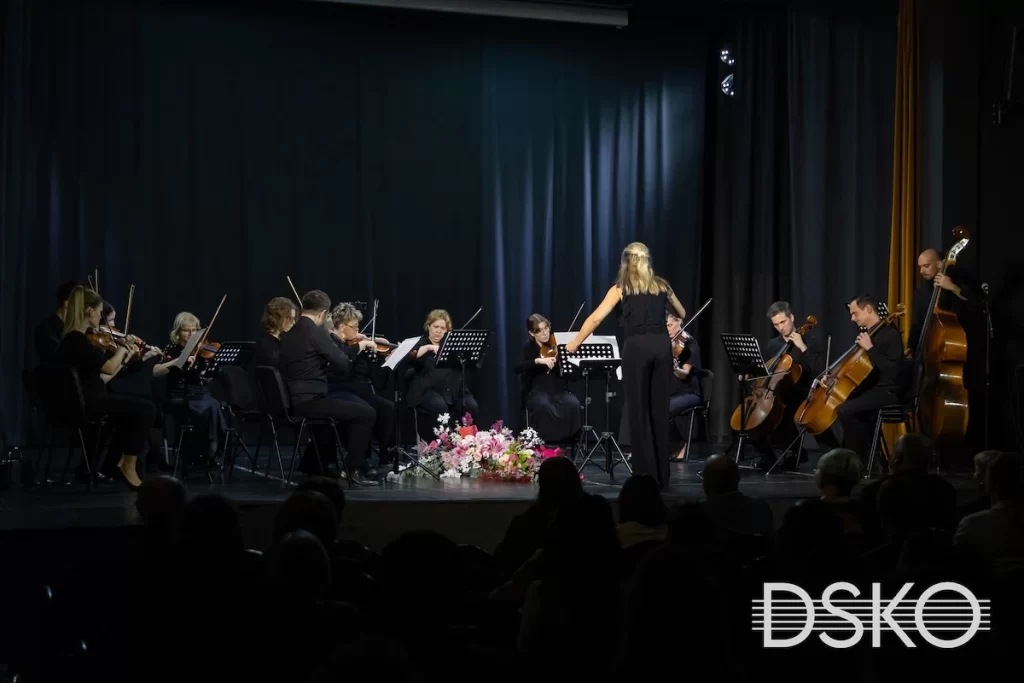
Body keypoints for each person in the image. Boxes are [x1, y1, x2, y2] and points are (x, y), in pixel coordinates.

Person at [566, 242, 686, 490]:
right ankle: (661, 477)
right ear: (647, 261)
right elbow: (682, 313)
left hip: (637, 349)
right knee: (659, 410)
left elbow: (596, 318)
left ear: (625, 263)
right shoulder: (662, 285)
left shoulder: (621, 289)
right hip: (661, 348)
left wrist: (575, 342)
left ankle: (643, 475)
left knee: (638, 411)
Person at [53, 286, 183, 488]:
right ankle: (127, 465)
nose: (101, 318)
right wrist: (122, 348)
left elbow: (102, 376)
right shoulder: (77, 340)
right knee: (146, 409)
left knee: (130, 412)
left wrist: (126, 356)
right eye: (99, 312)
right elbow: (109, 367)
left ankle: (111, 464)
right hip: (88, 403)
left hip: (89, 397)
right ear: (90, 312)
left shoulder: (73, 338)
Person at [277, 290, 378, 485]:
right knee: (367, 413)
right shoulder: (316, 333)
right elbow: (343, 363)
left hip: (291, 401)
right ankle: (353, 469)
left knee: (344, 409)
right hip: (310, 402)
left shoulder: (289, 334)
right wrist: (356, 348)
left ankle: (321, 465)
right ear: (323, 314)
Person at [748, 301, 825, 468]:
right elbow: (767, 371)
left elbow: (820, 370)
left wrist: (802, 347)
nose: (780, 328)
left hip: (805, 390)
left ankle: (800, 453)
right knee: (753, 415)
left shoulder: (809, 340)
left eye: (783, 322)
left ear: (792, 317)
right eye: (776, 324)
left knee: (784, 414)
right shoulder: (773, 344)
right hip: (780, 391)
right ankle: (771, 456)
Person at [828, 293, 907, 457]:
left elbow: (894, 371)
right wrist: (833, 377)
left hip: (887, 391)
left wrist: (870, 349)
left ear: (869, 309)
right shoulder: (869, 335)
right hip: (871, 389)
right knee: (841, 403)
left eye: (855, 313)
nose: (852, 319)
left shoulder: (890, 334)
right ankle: (863, 455)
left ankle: (857, 458)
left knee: (846, 410)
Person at [327, 302, 396, 458]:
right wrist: (360, 346)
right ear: (342, 327)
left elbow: (374, 379)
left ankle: (386, 457)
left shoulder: (354, 345)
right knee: (367, 411)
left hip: (359, 391)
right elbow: (341, 362)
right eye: (355, 327)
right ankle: (357, 461)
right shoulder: (331, 343)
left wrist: (382, 360)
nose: (358, 331)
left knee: (388, 408)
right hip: (339, 391)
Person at [163, 311, 228, 467]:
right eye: (186, 330)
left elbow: (204, 375)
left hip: (200, 393)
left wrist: (207, 370)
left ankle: (209, 450)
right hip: (180, 394)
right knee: (212, 406)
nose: (191, 334)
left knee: (217, 405)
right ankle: (211, 449)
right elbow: (158, 370)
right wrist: (181, 361)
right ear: (178, 332)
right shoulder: (171, 349)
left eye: (194, 330)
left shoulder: (201, 351)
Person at [405, 309, 480, 438]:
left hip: (454, 391)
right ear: (428, 326)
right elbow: (408, 357)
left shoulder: (452, 346)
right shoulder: (421, 343)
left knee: (471, 406)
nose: (439, 331)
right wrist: (428, 348)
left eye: (442, 328)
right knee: (440, 407)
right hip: (428, 391)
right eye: (436, 327)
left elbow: (470, 364)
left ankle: (466, 442)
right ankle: (443, 443)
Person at [515, 314, 582, 444]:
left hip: (559, 390)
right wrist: (538, 361)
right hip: (537, 391)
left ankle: (569, 441)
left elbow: (571, 374)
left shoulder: (556, 345)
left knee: (574, 404)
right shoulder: (528, 348)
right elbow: (517, 368)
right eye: (539, 331)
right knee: (543, 405)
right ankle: (544, 442)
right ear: (532, 333)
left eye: (546, 328)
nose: (545, 333)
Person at [907, 247, 984, 353]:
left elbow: (978, 303)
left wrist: (952, 287)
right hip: (928, 352)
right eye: (920, 267)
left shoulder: (958, 283)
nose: (921, 271)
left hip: (963, 348)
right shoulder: (919, 294)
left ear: (939, 264)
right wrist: (910, 348)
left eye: (926, 266)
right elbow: (916, 324)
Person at [666, 311, 702, 461]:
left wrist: (674, 367)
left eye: (670, 325)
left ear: (679, 322)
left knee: (664, 408)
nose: (667, 329)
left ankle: (680, 444)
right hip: (671, 391)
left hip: (689, 392)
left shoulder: (689, 343)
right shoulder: (667, 342)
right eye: (665, 325)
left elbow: (685, 374)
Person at [34, 280, 79, 363]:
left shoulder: (74, 328)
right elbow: (63, 358)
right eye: (80, 304)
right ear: (67, 303)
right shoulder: (46, 328)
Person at [253, 297, 298, 370]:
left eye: (294, 318)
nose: (293, 322)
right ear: (278, 317)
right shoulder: (265, 344)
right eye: (289, 318)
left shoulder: (284, 339)